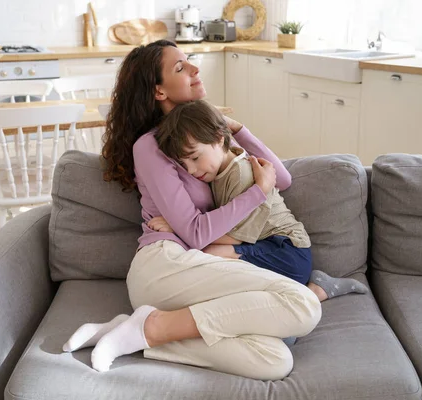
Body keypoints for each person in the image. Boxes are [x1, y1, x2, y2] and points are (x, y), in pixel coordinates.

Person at [61, 40, 362, 380]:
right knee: (303, 304)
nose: (194, 69)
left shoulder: (203, 138)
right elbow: (195, 232)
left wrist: (234, 128)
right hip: (166, 264)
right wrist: (258, 192)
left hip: (196, 265)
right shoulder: (151, 145)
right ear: (158, 91)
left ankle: (139, 331)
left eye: (190, 61)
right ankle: (149, 327)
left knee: (275, 359)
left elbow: (284, 178)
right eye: (180, 67)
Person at [156, 99, 368, 298]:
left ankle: (308, 296)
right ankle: (313, 291)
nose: (191, 170)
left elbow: (236, 236)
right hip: (268, 248)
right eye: (184, 165)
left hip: (288, 253)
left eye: (194, 158)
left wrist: (180, 227)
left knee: (213, 253)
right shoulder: (220, 169)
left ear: (219, 138)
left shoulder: (241, 173)